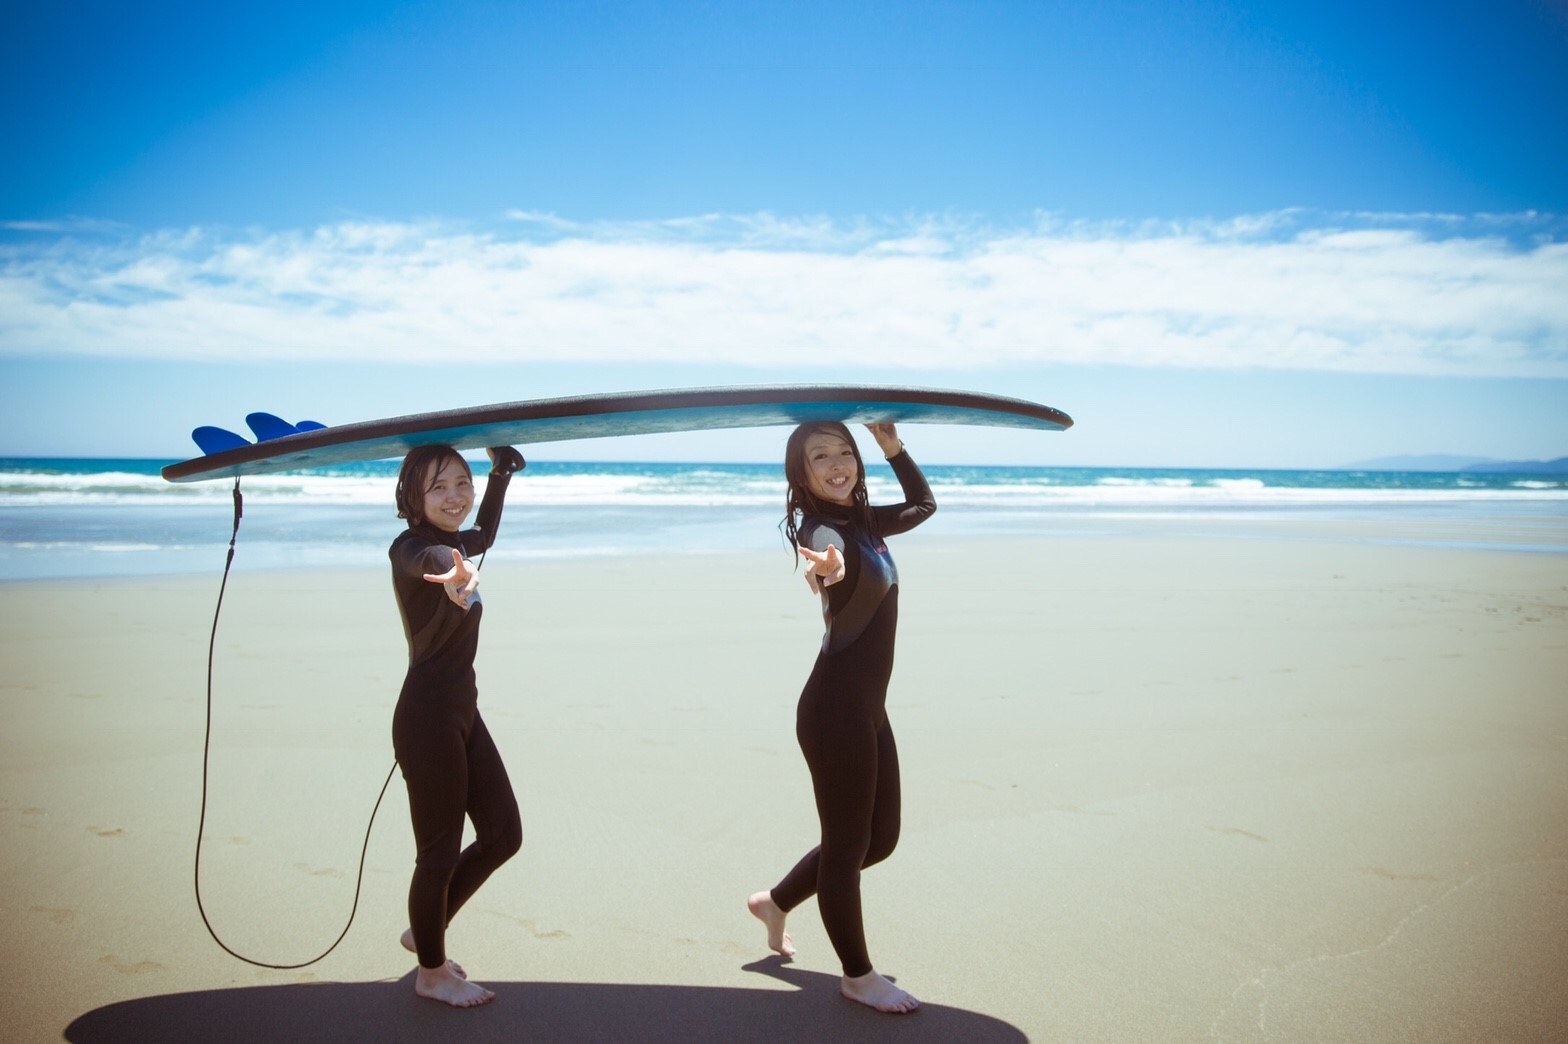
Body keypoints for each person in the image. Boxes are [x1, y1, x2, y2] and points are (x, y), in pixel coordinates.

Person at [748, 421, 935, 1015]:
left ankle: (775, 902)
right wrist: (825, 568)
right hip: (834, 712)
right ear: (799, 472)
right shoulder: (822, 529)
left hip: (865, 708)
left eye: (844, 451)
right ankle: (857, 975)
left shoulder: (866, 521)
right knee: (848, 847)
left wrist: (891, 446)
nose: (836, 463)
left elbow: (924, 505)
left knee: (878, 842)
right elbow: (824, 559)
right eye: (818, 455)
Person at [389, 444, 526, 1007]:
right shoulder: (413, 548)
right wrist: (449, 572)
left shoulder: (460, 543)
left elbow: (482, 536)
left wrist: (500, 475)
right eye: (438, 488)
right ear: (413, 499)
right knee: (440, 853)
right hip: (426, 719)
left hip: (463, 712)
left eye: (461, 483)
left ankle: (426, 928)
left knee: (502, 835)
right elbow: (431, 562)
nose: (455, 496)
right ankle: (431, 972)